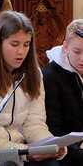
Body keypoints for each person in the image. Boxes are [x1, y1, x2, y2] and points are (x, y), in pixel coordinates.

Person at [0, 11, 66, 166]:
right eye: (14, 44)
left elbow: (34, 123)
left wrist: (50, 145)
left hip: (22, 147)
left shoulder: (33, 72)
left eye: (26, 44)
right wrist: (25, 152)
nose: (21, 52)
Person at [43, 19, 83, 166]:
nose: (82, 59)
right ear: (65, 47)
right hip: (67, 152)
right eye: (77, 51)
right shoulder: (50, 77)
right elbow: (54, 130)